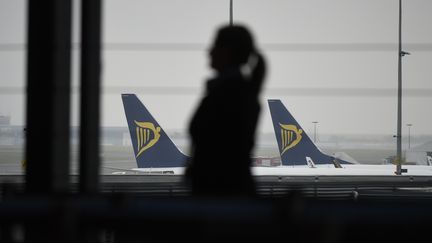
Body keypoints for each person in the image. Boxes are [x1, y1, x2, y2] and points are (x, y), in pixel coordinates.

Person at [185, 24, 266, 197]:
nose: (209, 51)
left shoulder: (229, 95)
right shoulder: (235, 92)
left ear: (227, 52)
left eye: (215, 45)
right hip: (228, 193)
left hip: (220, 194)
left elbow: (219, 152)